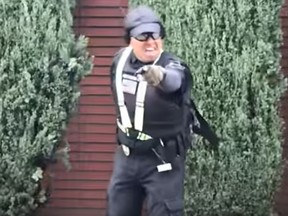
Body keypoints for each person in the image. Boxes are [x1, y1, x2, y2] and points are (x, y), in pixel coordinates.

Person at [106, 5, 219, 216]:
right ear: (130, 39)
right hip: (127, 158)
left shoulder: (173, 65)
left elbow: (175, 81)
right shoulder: (119, 62)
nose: (151, 42)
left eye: (156, 35)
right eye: (143, 36)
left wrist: (159, 76)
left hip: (163, 161)